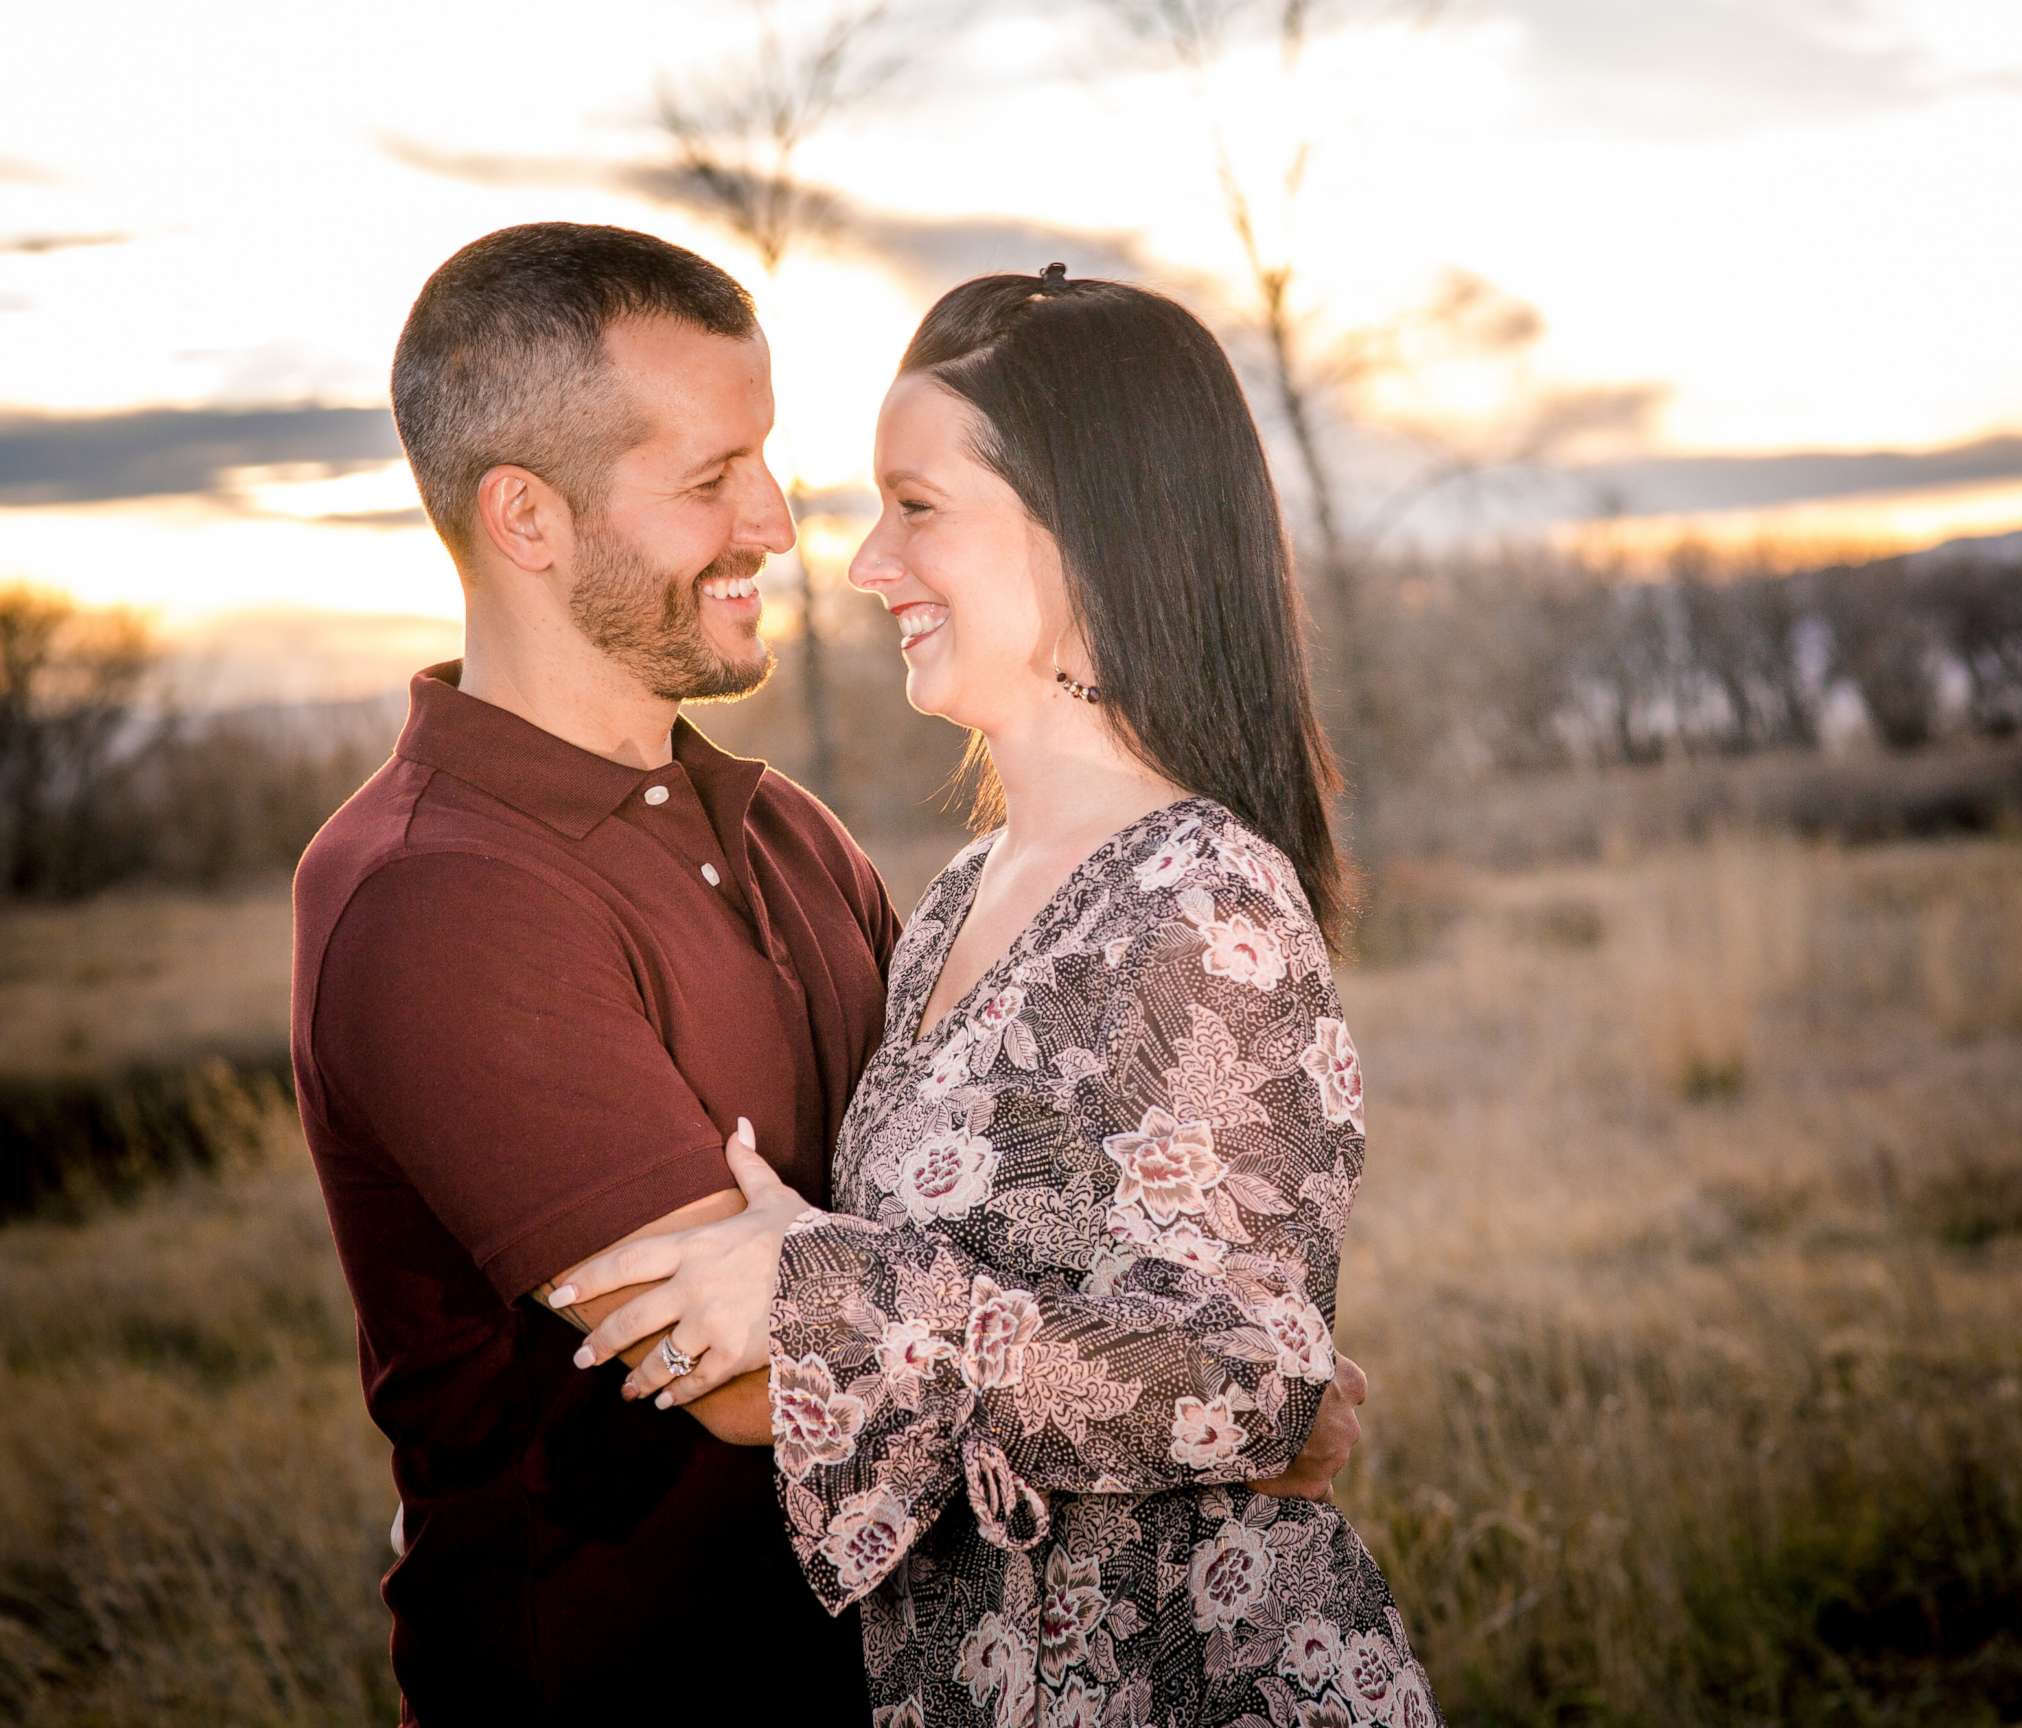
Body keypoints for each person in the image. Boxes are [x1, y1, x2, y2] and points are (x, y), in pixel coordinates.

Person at [290, 225, 1363, 1723]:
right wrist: (1174, 1397)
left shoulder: (789, 833)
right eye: (710, 477)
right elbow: (737, 1365)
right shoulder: (436, 894)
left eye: (774, 464)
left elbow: (914, 1272)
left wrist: (1196, 1388)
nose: (782, 528)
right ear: (526, 520)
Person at [553, 265, 1440, 1726]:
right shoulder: (961, 895)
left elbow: (1253, 1380)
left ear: (1085, 529)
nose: (864, 565)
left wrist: (824, 1286)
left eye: (919, 507)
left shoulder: (1204, 900)